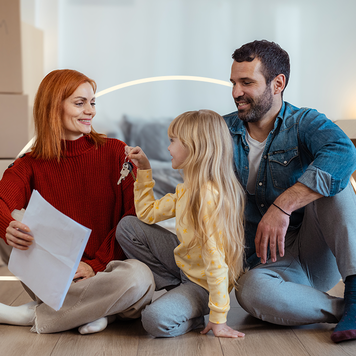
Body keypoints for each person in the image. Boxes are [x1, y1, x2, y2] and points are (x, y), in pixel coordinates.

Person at [0, 69, 154, 334]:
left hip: (109, 271)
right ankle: (99, 312)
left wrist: (94, 267)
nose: (90, 111)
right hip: (58, 275)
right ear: (52, 107)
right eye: (80, 103)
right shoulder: (29, 164)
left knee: (139, 277)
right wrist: (6, 226)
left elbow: (134, 217)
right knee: (8, 229)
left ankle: (36, 315)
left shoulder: (116, 152)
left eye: (92, 102)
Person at [223, 39, 356, 343]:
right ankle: (344, 309)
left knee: (334, 181)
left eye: (246, 82)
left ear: (278, 83)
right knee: (249, 291)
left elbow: (343, 152)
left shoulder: (304, 122)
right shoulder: (222, 130)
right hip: (267, 266)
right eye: (232, 83)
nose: (235, 93)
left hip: (314, 251)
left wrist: (282, 205)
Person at [116, 110, 246, 338]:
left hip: (203, 285)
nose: (168, 148)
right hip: (184, 267)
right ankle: (177, 291)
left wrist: (218, 319)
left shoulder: (208, 196)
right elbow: (146, 214)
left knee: (153, 320)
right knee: (128, 226)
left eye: (173, 141)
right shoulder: (187, 189)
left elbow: (216, 263)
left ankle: (193, 316)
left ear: (194, 147)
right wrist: (145, 169)